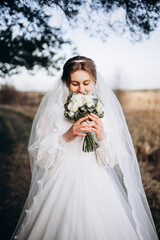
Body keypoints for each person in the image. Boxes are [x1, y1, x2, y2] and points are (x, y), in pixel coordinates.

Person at [11, 56, 158, 240]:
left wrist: (102, 136)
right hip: (60, 180)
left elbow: (110, 160)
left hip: (97, 180)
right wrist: (67, 136)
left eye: (86, 83)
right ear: (65, 82)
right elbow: (40, 157)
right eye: (74, 83)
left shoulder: (104, 113)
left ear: (95, 82)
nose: (81, 89)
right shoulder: (53, 112)